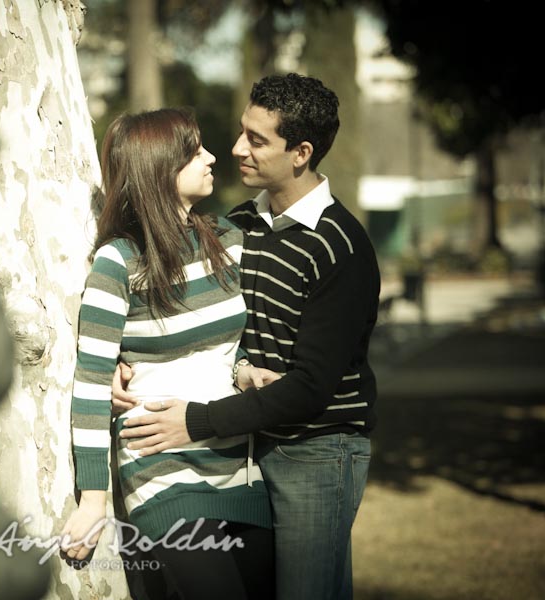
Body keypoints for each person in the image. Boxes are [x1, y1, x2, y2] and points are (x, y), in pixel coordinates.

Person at [117, 74, 381, 600]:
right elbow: (181, 316)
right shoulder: (235, 227)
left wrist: (196, 421)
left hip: (317, 451)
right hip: (243, 448)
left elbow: (310, 387)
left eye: (257, 140)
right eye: (243, 132)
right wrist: (125, 362)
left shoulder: (340, 248)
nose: (237, 148)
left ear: (301, 153)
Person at [60, 107, 276, 600]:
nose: (212, 156)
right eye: (193, 150)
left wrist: (243, 370)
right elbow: (91, 385)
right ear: (160, 167)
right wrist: (93, 499)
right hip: (161, 473)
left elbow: (231, 341)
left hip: (237, 466)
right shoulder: (118, 263)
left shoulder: (227, 242)